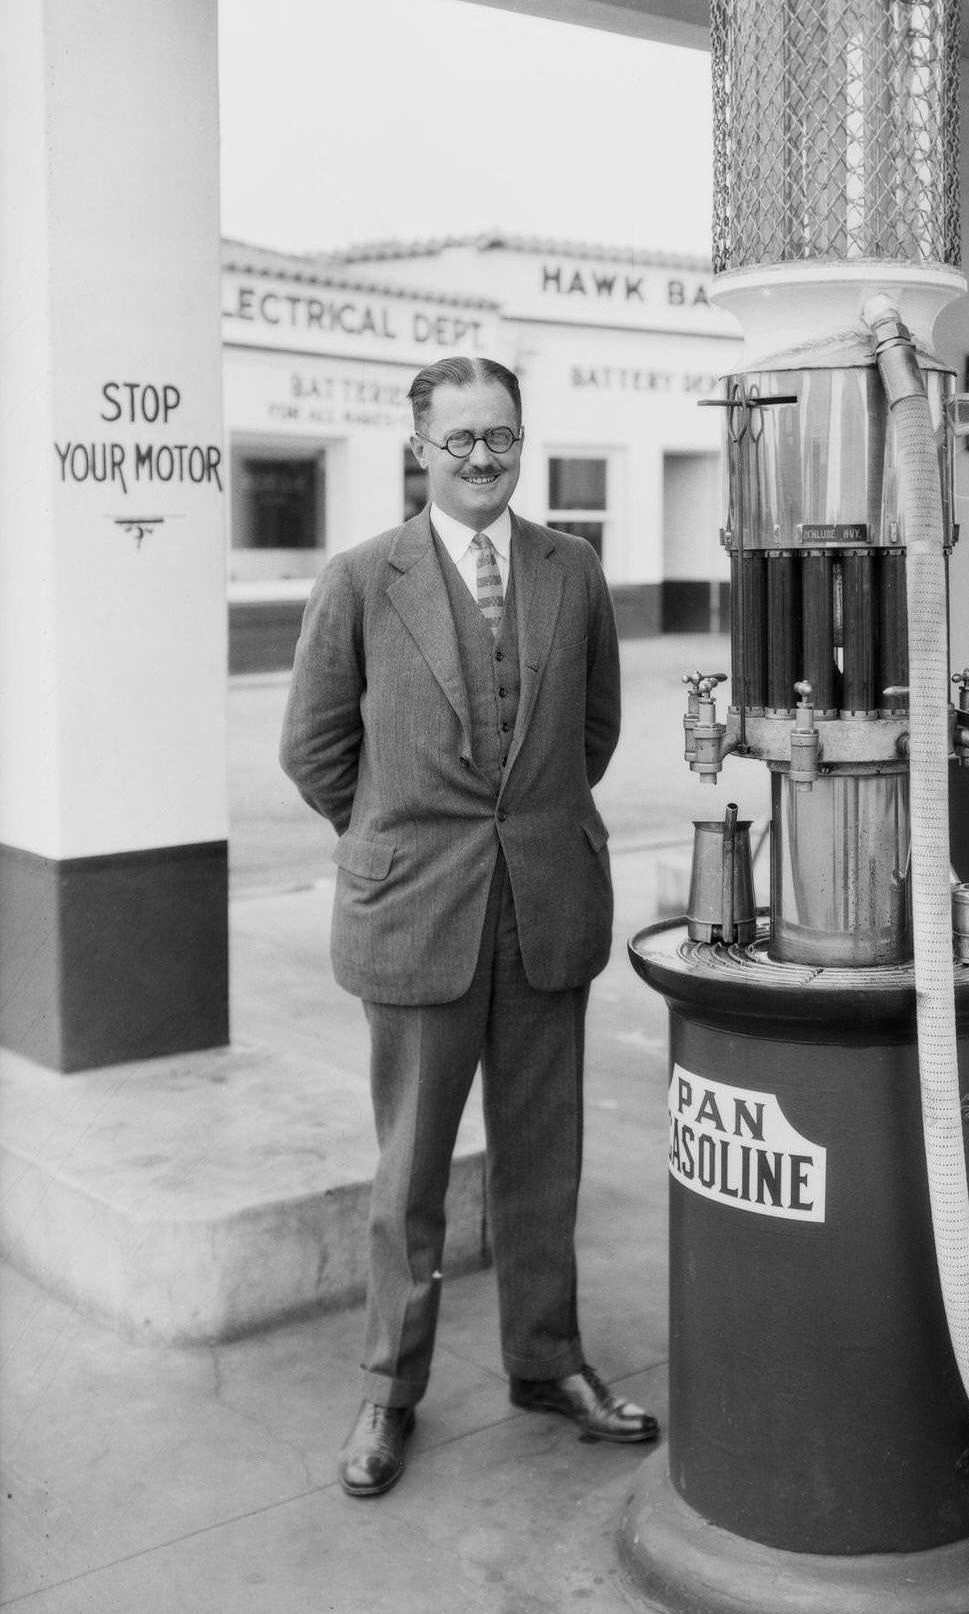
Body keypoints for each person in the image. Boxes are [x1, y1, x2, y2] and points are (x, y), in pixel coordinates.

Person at [280, 355, 658, 1498]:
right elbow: (312, 751)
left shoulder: (572, 568)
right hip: (416, 916)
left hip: (545, 903)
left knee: (547, 1159)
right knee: (410, 1179)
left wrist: (525, 832)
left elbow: (593, 732)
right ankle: (387, 1394)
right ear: (420, 448)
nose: (485, 459)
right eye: (462, 442)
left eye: (502, 437)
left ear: (520, 440)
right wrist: (398, 840)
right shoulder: (360, 579)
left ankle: (548, 1365)